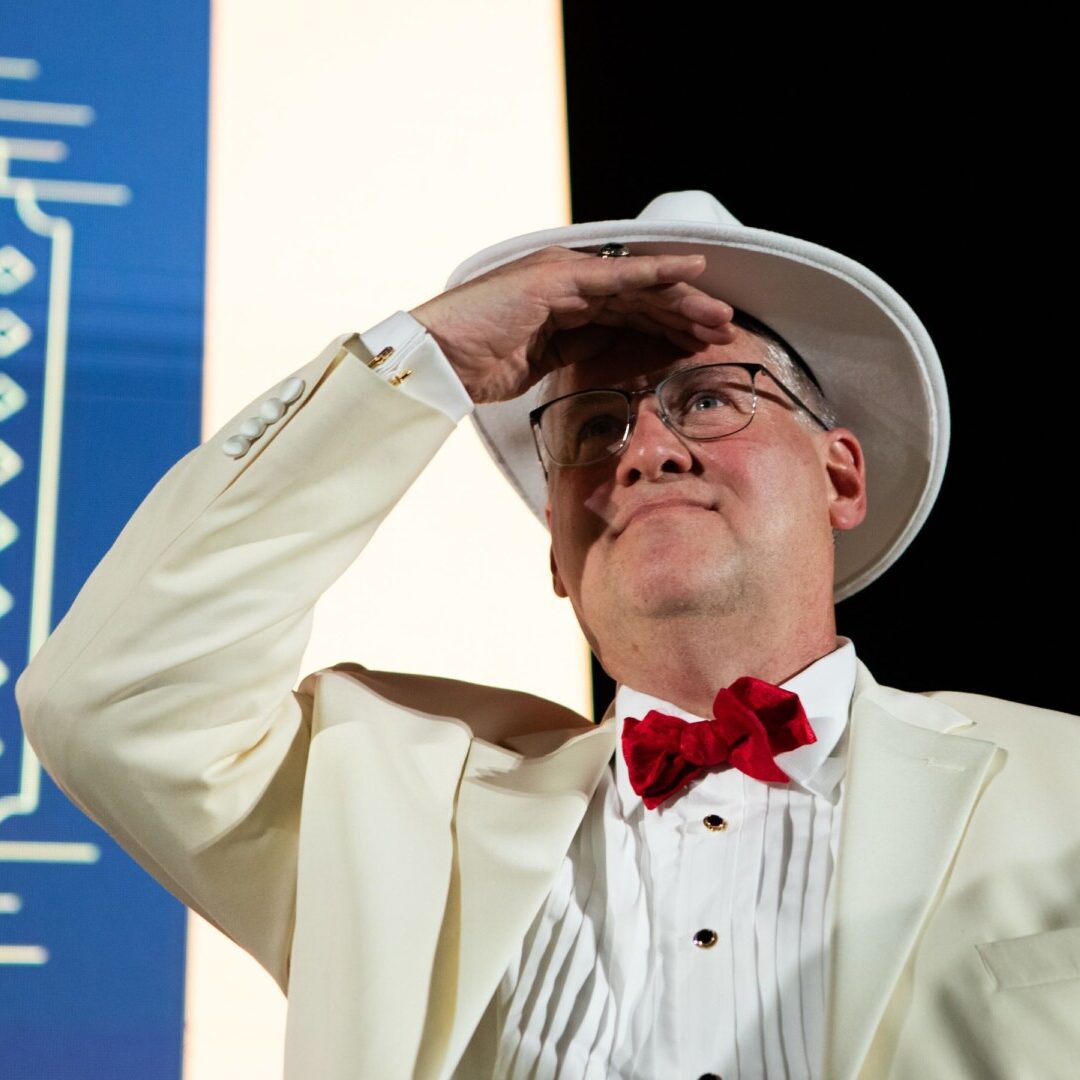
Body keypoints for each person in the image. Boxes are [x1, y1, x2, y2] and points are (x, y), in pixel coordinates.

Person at [17, 192, 1080, 1080]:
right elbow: (109, 698)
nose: (646, 450)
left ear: (840, 475)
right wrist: (425, 358)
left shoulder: (1063, 782)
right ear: (558, 557)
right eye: (594, 427)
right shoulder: (384, 806)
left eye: (711, 398)